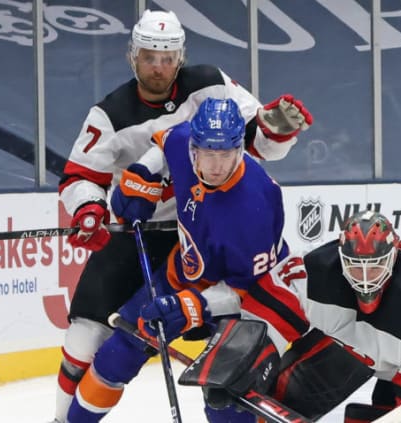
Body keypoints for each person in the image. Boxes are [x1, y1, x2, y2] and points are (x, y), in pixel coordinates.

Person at [55, 9, 312, 423]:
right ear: (132, 56)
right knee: (98, 342)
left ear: (181, 56)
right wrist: (130, 182)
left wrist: (269, 130)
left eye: (167, 57)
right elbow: (165, 143)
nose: (158, 68)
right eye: (149, 57)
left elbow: (254, 139)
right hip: (158, 234)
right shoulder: (128, 120)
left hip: (233, 271)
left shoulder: (252, 206)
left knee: (223, 391)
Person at [65, 97, 290, 422]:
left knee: (224, 398)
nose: (215, 165)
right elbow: (167, 142)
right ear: (195, 148)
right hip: (184, 273)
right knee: (117, 354)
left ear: (240, 149)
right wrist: (144, 173)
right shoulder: (187, 140)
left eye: (225, 154)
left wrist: (189, 309)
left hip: (244, 299)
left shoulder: (256, 204)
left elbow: (245, 293)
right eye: (207, 154)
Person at [186, 210, 401, 422]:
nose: (365, 279)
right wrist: (237, 361)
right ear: (341, 258)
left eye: (375, 267)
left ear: (393, 258)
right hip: (353, 342)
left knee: (387, 410)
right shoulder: (313, 271)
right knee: (278, 394)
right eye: (355, 266)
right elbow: (263, 315)